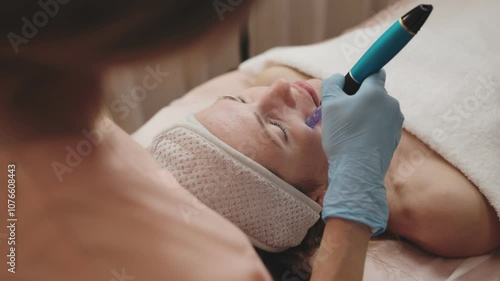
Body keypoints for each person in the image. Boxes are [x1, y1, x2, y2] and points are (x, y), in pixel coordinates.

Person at [0, 2, 419, 281]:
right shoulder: (213, 267)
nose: (274, 88)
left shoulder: (84, 137)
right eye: (277, 130)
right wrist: (355, 197)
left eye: (236, 99)